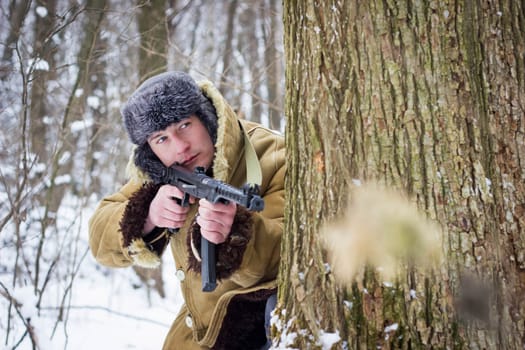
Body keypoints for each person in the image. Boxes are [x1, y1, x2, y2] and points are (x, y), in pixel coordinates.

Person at [88, 71, 285, 349]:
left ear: (205, 117)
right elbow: (99, 238)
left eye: (184, 125)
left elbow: (289, 252)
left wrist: (238, 234)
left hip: (256, 328)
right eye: (161, 138)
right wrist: (147, 215)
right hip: (195, 331)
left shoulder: (271, 154)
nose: (180, 147)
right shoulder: (162, 170)